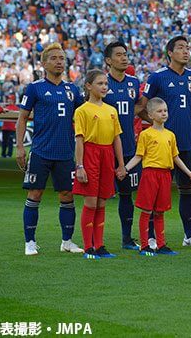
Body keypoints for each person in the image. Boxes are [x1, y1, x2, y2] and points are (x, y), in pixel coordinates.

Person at [139, 36, 191, 247]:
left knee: (187, 189)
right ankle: (150, 237)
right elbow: (143, 106)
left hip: (185, 143)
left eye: (187, 48)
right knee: (155, 192)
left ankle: (189, 236)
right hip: (161, 145)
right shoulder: (157, 77)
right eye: (180, 48)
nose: (185, 51)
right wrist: (156, 128)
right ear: (170, 52)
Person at [17, 43, 84, 256]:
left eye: (62, 58)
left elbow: (85, 112)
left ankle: (67, 241)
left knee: (67, 196)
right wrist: (20, 146)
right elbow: (22, 118)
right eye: (54, 58)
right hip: (41, 151)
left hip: (65, 153)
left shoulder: (72, 89)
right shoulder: (35, 87)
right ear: (44, 63)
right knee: (35, 194)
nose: (59, 62)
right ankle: (29, 242)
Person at [124, 98, 191, 256]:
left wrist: (190, 173)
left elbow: (176, 158)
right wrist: (125, 168)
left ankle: (161, 244)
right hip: (150, 174)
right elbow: (138, 156)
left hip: (165, 175)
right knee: (146, 211)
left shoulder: (170, 135)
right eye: (159, 111)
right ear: (151, 115)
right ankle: (144, 245)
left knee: (160, 212)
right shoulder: (146, 134)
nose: (163, 113)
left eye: (165, 110)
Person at [72, 69, 126, 259]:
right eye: (100, 83)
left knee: (102, 202)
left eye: (106, 84)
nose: (104, 87)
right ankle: (88, 247)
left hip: (107, 156)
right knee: (91, 202)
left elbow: (116, 139)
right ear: (88, 86)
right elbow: (79, 140)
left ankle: (100, 245)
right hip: (91, 154)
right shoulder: (82, 110)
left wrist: (121, 164)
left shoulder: (111, 111)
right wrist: (80, 166)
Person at [103, 41, 147, 249]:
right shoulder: (102, 83)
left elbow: (138, 104)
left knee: (127, 194)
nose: (124, 57)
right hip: (103, 148)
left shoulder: (132, 82)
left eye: (125, 54)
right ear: (108, 60)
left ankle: (127, 238)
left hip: (129, 147)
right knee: (97, 197)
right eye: (119, 55)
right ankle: (92, 240)